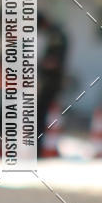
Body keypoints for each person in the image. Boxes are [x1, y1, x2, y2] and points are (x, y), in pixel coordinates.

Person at [37, 12, 68, 156]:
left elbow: (54, 61)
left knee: (43, 115)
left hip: (50, 82)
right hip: (49, 81)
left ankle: (41, 148)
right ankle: (42, 147)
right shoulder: (52, 35)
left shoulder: (54, 36)